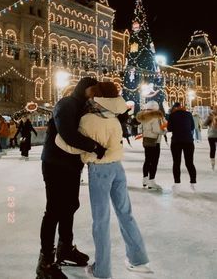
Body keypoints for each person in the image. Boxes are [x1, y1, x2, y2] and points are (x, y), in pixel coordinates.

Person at [55, 82, 153, 279]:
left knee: (101, 220)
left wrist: (59, 140)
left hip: (99, 171)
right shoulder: (114, 118)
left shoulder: (89, 120)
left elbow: (78, 146)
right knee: (126, 214)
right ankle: (138, 259)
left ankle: (103, 270)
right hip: (118, 168)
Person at [36, 77, 106, 279]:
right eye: (94, 90)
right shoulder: (66, 104)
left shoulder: (85, 108)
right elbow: (67, 133)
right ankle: (46, 262)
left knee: (70, 205)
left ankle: (65, 248)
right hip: (55, 164)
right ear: (84, 88)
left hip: (72, 165)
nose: (96, 94)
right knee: (54, 210)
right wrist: (93, 146)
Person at [136, 100, 166, 190]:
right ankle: (151, 181)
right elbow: (157, 130)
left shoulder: (143, 118)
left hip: (146, 141)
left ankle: (145, 179)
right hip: (155, 142)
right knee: (154, 162)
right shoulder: (155, 117)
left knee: (147, 160)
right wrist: (164, 131)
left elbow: (139, 130)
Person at [167, 102, 197, 192]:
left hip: (176, 141)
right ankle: (193, 182)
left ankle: (177, 183)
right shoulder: (188, 114)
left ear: (174, 108)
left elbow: (169, 128)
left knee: (176, 162)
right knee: (190, 162)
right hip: (188, 141)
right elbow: (192, 127)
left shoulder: (172, 115)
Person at [203, 105, 217, 170]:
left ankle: (213, 164)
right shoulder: (210, 116)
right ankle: (213, 164)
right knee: (213, 149)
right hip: (212, 135)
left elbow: (205, 124)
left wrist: (209, 118)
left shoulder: (210, 116)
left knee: (212, 149)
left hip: (211, 135)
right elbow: (205, 124)